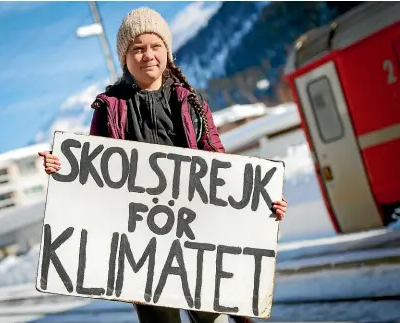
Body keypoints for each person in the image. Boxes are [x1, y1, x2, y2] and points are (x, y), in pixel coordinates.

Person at [38, 7, 287, 323]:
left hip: (199, 240)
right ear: (125, 58)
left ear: (167, 52)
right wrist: (64, 169)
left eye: (155, 46)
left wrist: (261, 201)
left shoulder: (192, 102)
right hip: (144, 251)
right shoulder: (109, 109)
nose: (147, 55)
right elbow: (94, 177)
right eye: (137, 49)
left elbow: (222, 168)